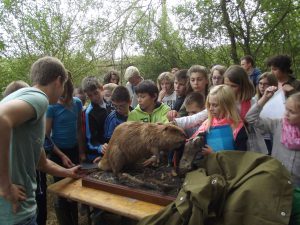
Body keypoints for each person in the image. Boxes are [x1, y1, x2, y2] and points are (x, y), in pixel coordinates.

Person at [0, 56, 82, 225]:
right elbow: (1, 118)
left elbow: (42, 163)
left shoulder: (24, 103)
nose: (62, 94)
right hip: (15, 213)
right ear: (59, 81)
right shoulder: (39, 98)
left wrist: (68, 172)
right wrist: (5, 186)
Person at [46, 73, 85, 225]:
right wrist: (61, 155)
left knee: (74, 189)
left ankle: (74, 220)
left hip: (74, 150)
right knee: (61, 190)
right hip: (57, 152)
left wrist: (81, 151)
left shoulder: (77, 103)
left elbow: (79, 129)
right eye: (62, 96)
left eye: (67, 96)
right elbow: (46, 136)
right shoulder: (51, 106)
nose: (65, 99)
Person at [246, 88, 300, 187]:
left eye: (292, 112)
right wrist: (264, 98)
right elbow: (250, 118)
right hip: (277, 179)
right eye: (286, 109)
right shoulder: (278, 124)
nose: (286, 114)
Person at [191, 84, 248, 154]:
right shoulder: (207, 124)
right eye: (209, 104)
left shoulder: (237, 127)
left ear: (226, 105)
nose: (211, 109)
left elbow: (241, 155)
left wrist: (214, 154)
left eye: (215, 105)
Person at [82, 76, 112, 162]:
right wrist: (99, 147)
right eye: (90, 96)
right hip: (99, 152)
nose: (94, 97)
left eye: (96, 93)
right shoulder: (89, 113)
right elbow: (90, 141)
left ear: (101, 88)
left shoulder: (111, 105)